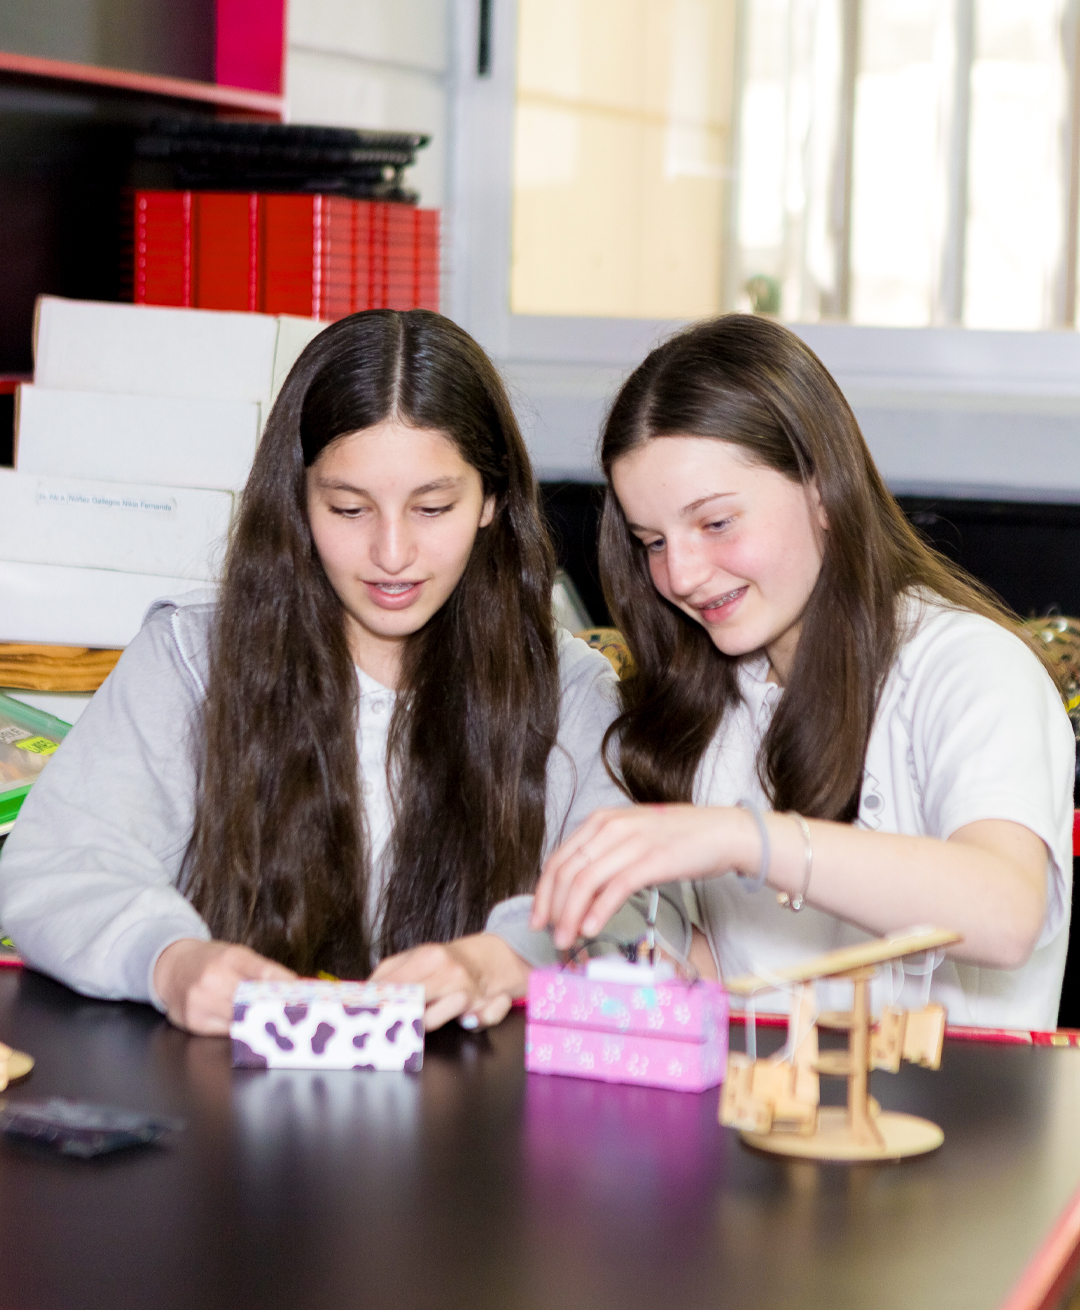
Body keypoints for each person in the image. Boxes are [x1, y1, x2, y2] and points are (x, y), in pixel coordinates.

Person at [0, 309, 687, 1036]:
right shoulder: (189, 659)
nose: (392, 553)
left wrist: (500, 959)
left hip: (476, 1125)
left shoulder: (568, 689)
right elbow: (57, 865)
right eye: (349, 507)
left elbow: (644, 914)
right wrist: (169, 959)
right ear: (297, 500)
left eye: (432, 507)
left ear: (491, 501)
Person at [532, 314, 1074, 1030]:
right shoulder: (712, 703)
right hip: (763, 1129)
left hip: (958, 1133)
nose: (682, 574)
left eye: (717, 523)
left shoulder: (968, 668)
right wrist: (639, 954)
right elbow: (749, 984)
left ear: (821, 489)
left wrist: (743, 837)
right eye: (653, 541)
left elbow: (1006, 911)